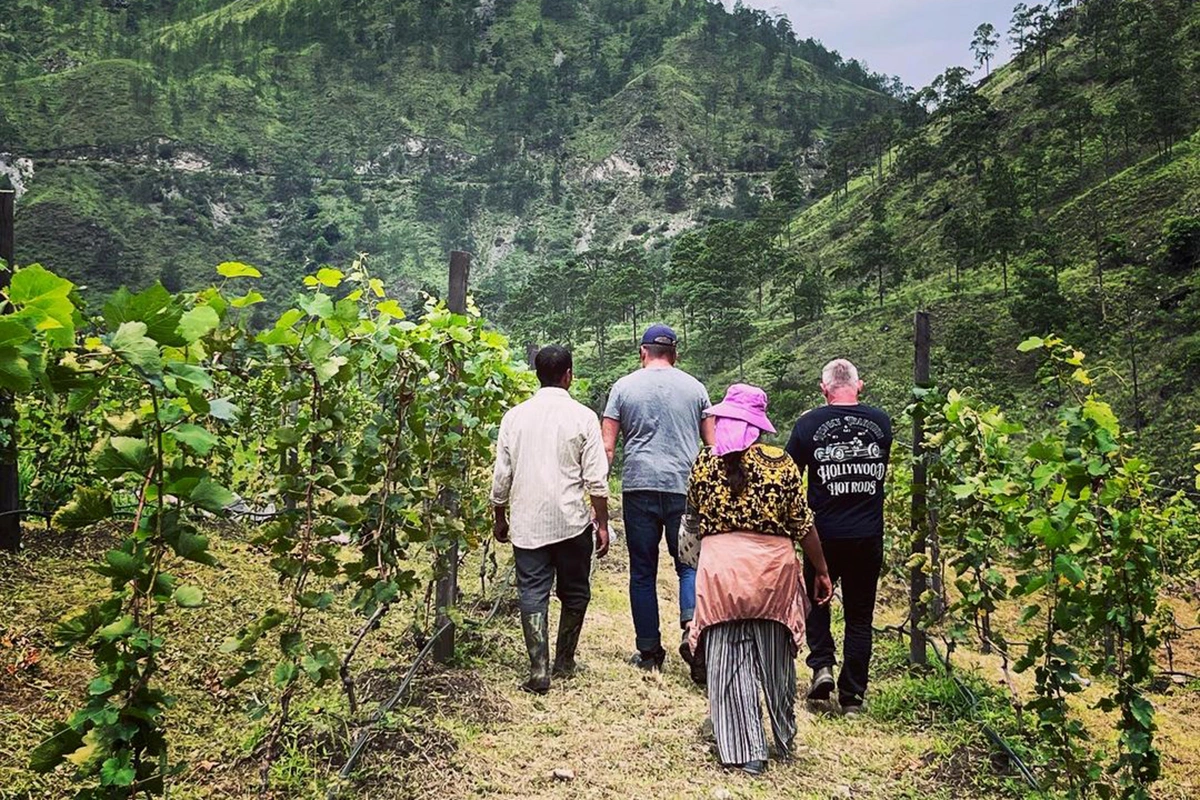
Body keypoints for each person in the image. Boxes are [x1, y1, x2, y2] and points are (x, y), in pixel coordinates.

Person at [685, 384, 833, 775]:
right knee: (776, 660)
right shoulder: (781, 464)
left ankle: (746, 749)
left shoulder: (703, 463)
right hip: (772, 573)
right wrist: (820, 570)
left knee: (729, 658)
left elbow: (694, 518)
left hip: (721, 573)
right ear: (760, 426)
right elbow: (803, 525)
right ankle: (783, 736)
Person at [490, 345, 611, 695]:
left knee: (532, 591)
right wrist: (601, 523)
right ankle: (565, 659)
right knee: (575, 592)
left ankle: (539, 670)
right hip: (571, 522)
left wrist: (500, 515)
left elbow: (503, 475)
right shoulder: (584, 417)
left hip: (528, 523)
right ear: (569, 375)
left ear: (536, 374)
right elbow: (596, 480)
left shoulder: (514, 417)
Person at [602, 324, 715, 670]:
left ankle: (649, 652)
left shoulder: (623, 387)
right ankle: (691, 634)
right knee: (689, 565)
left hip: (639, 488)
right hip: (685, 490)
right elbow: (712, 447)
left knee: (642, 571)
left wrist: (596, 495)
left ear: (642, 352)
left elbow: (607, 448)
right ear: (675, 353)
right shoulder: (696, 388)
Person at [785, 359, 893, 715]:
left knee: (817, 599)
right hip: (867, 535)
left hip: (822, 536)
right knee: (860, 618)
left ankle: (822, 666)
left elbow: (789, 479)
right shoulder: (881, 424)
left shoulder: (808, 424)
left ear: (823, 388)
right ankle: (853, 697)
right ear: (859, 386)